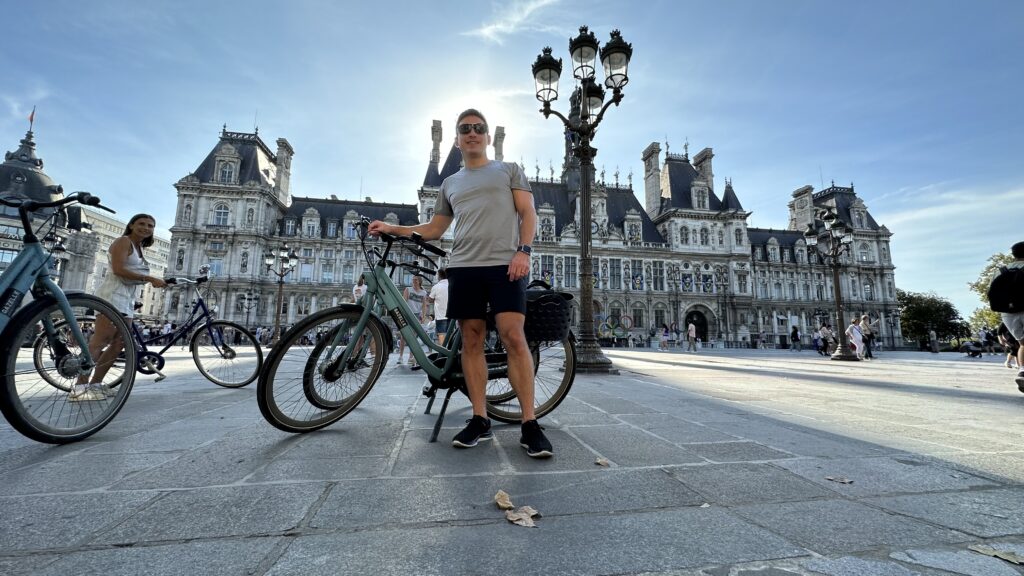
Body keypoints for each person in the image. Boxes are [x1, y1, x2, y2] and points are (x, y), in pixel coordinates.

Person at [368, 108, 552, 457]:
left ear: (487, 137)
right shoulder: (450, 183)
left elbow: (528, 212)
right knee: (471, 340)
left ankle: (529, 423)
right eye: (465, 129)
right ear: (457, 139)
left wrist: (524, 251)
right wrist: (393, 228)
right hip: (465, 266)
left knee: (514, 336)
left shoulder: (509, 170)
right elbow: (435, 228)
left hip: (506, 263)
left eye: (478, 128)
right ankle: (480, 418)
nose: (472, 133)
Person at [73, 214, 167, 400]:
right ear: (131, 225)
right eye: (141, 224)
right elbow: (118, 269)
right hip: (112, 295)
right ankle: (79, 388)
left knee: (120, 343)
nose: (146, 228)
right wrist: (149, 278)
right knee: (100, 341)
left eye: (150, 225)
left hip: (126, 298)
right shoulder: (123, 241)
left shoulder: (139, 248)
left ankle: (96, 384)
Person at [996, 241, 1024, 388]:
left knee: (1022, 343)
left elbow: (992, 293)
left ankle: (1023, 372)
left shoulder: (1001, 271)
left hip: (1007, 312)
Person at [396, 275, 428, 367]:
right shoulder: (408, 289)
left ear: (420, 281)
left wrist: (424, 316)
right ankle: (400, 357)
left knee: (413, 337)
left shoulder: (423, 293)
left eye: (416, 280)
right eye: (413, 279)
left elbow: (424, 305)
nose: (414, 281)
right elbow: (404, 302)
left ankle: (411, 357)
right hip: (407, 314)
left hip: (416, 315)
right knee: (403, 336)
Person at [428, 268, 450, 345]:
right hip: (451, 315)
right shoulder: (451, 285)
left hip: (441, 315)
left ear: (439, 276)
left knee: (441, 334)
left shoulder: (436, 287)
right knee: (450, 334)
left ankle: (443, 350)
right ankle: (450, 349)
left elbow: (430, 300)